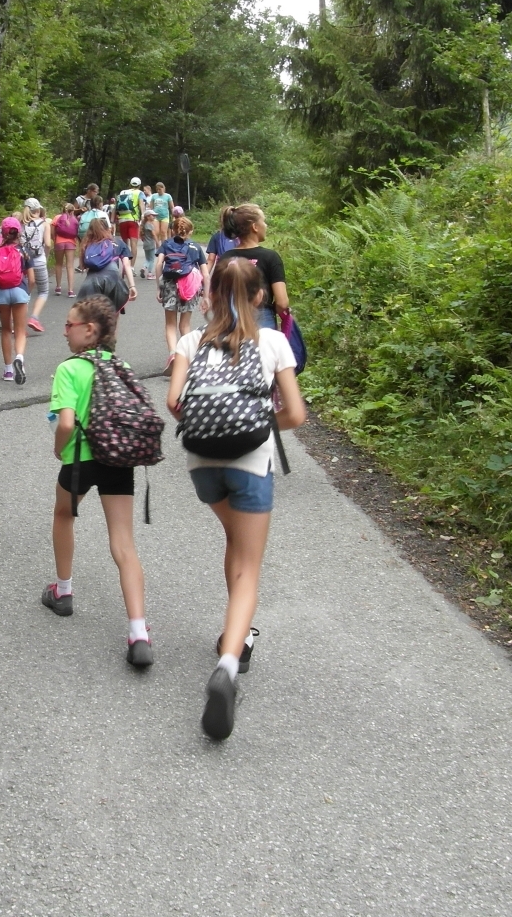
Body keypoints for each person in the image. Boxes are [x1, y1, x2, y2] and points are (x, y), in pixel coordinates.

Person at [165, 257, 307, 740]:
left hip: (202, 465)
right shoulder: (272, 341)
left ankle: (238, 635)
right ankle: (229, 662)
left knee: (233, 539)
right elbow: (296, 414)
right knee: (248, 565)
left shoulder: (191, 341)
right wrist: (260, 425)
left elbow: (174, 403)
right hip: (251, 461)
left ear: (210, 294)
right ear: (260, 297)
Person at [44, 295, 153, 667]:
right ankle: (138, 630)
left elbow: (66, 423)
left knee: (64, 514)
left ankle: (63, 591)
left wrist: (60, 449)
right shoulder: (120, 365)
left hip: (81, 459)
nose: (64, 330)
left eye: (69, 324)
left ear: (89, 331)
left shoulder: (70, 369)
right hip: (119, 458)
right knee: (123, 542)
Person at [216, 203, 290, 329]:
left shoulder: (225, 258)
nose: (266, 225)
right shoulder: (271, 257)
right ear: (255, 227)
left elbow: (217, 296)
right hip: (263, 318)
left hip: (232, 320)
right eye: (264, 221)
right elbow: (282, 303)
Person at [157, 215, 208, 363]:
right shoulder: (196, 247)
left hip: (170, 284)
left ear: (172, 230)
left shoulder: (166, 244)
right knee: (185, 325)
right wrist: (205, 294)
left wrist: (159, 287)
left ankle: (173, 354)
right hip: (189, 286)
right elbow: (205, 273)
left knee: (170, 324)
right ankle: (187, 355)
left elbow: (159, 264)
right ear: (190, 231)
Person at [0, 216, 31, 384]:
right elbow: (31, 277)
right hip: (20, 291)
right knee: (20, 331)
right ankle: (19, 357)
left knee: (6, 330)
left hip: (1, 293)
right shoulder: (23, 250)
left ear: (3, 232)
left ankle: (8, 370)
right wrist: (28, 291)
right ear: (18, 231)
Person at [76, 216, 136, 322]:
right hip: (113, 281)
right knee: (113, 318)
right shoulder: (118, 242)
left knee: (93, 317)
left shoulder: (88, 244)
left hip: (92, 282)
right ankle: (110, 338)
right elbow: (126, 265)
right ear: (109, 229)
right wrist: (132, 286)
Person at [20, 198, 52, 333]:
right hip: (39, 261)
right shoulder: (44, 224)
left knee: (24, 292)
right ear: (38, 209)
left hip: (22, 262)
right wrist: (46, 255)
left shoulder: (19, 224)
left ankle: (19, 322)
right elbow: (48, 244)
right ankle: (34, 317)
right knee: (43, 291)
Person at [52, 202, 81, 297]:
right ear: (73, 210)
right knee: (70, 266)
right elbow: (76, 232)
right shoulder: (75, 219)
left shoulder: (57, 217)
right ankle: (70, 290)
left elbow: (52, 232)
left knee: (58, 264)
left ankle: (58, 287)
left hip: (59, 242)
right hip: (70, 243)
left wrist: (55, 240)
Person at [206, 205, 240, 270]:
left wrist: (204, 278)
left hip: (222, 273)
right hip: (240, 273)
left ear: (222, 220)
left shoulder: (217, 236)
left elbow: (210, 260)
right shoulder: (243, 235)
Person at [114, 176, 143, 252]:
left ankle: (125, 262)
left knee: (124, 244)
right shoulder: (139, 193)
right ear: (139, 185)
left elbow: (115, 206)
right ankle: (131, 264)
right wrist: (142, 217)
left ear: (130, 184)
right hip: (133, 220)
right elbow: (141, 205)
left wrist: (112, 220)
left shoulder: (122, 192)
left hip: (122, 220)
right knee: (133, 244)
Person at [139, 209, 160, 279]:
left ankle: (144, 267)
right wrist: (157, 243)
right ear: (148, 217)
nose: (154, 217)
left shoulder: (144, 225)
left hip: (145, 244)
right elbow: (153, 235)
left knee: (147, 259)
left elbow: (141, 235)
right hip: (151, 244)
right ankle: (150, 274)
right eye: (153, 215)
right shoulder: (150, 225)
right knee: (151, 259)